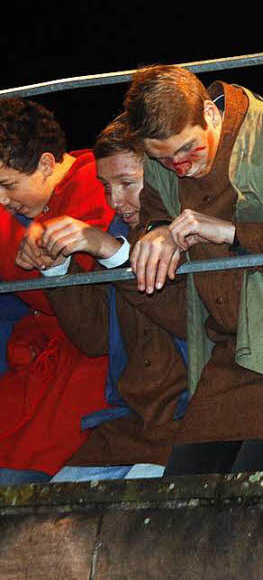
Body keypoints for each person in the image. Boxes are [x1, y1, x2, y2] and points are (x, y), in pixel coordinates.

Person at [122, 65, 263, 475]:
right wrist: (154, 231)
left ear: (209, 112)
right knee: (180, 493)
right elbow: (152, 208)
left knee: (252, 494)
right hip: (229, 354)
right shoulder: (165, 157)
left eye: (188, 149)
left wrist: (232, 232)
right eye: (163, 159)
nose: (180, 167)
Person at [39, 116, 190, 482]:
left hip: (192, 419)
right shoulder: (118, 232)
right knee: (43, 513)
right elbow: (95, 339)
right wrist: (57, 269)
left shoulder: (192, 228)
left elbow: (189, 319)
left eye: (127, 183)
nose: (114, 201)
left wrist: (112, 252)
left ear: (163, 173)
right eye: (106, 187)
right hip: (129, 422)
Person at [0, 98, 112, 484]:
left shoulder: (96, 186)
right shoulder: (46, 196)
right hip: (37, 366)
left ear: (47, 164)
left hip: (81, 378)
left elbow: (64, 304)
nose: (2, 200)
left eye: (7, 185)